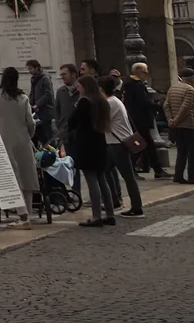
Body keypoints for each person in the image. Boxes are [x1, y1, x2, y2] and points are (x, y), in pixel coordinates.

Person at [0, 67, 38, 222]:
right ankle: (28, 212)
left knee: (10, 177)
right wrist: (29, 135)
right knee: (26, 175)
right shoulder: (23, 98)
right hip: (22, 140)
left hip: (2, 141)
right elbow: (30, 121)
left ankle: (22, 213)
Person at [66, 74, 116, 227]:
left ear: (85, 87)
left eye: (79, 86)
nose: (78, 89)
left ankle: (96, 216)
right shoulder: (102, 101)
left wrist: (76, 106)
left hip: (86, 143)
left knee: (91, 179)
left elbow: (72, 121)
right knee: (102, 179)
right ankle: (110, 214)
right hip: (100, 141)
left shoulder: (84, 102)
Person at [100, 75, 144, 217]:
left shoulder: (110, 103)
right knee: (105, 169)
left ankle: (137, 207)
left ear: (101, 89)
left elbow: (101, 122)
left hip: (119, 144)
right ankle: (114, 200)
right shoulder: (114, 100)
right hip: (114, 142)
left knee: (128, 176)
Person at [123, 64, 165, 178]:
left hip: (136, 118)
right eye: (145, 72)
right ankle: (131, 169)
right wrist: (157, 105)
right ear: (138, 72)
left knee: (146, 144)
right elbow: (143, 101)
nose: (146, 75)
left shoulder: (129, 84)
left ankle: (157, 169)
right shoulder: (137, 85)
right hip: (140, 119)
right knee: (140, 145)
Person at [165, 66, 194, 184]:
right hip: (187, 124)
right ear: (192, 77)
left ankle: (178, 175)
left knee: (181, 151)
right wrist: (176, 120)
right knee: (193, 151)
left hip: (175, 126)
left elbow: (166, 105)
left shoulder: (172, 88)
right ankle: (193, 176)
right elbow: (186, 107)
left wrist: (170, 119)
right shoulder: (189, 89)